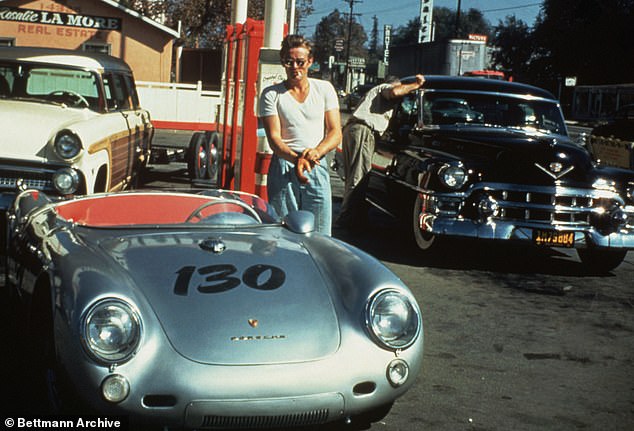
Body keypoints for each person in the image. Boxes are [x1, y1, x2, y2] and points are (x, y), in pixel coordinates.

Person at [259, 34, 342, 235]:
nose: (295, 67)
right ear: (283, 63)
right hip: (284, 166)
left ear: (310, 62)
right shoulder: (271, 94)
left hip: (316, 164)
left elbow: (335, 132)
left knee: (321, 233)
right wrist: (297, 160)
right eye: (289, 61)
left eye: (300, 62)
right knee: (284, 230)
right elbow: (274, 139)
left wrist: (316, 153)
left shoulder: (324, 89)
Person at [335, 74, 426, 229]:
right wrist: (416, 85)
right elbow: (395, 92)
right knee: (359, 178)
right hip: (364, 131)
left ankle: (355, 215)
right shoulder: (385, 88)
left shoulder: (376, 95)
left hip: (354, 130)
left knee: (353, 176)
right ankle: (347, 221)